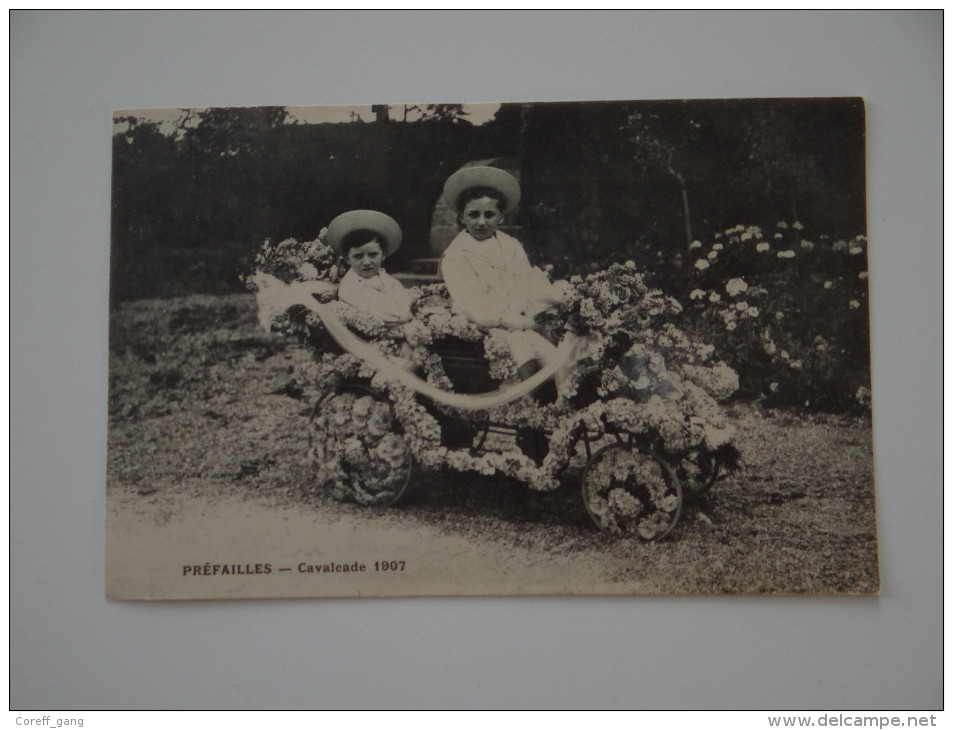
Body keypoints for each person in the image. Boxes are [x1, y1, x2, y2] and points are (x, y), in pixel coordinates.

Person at [439, 166, 571, 385]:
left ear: (501, 217)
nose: (481, 222)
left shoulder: (511, 246)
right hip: (483, 327)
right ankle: (523, 410)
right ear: (462, 217)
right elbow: (471, 302)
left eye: (489, 215)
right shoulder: (455, 254)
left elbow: (527, 283)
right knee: (524, 359)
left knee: (559, 362)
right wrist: (509, 320)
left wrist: (534, 312)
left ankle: (559, 408)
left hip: (519, 323)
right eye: (474, 215)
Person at [325, 210, 416, 368]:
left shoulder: (390, 281)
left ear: (383, 255)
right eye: (358, 256)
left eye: (373, 255)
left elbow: (406, 309)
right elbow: (381, 316)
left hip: (399, 340)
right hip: (368, 347)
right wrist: (400, 324)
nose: (366, 262)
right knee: (409, 367)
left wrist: (403, 324)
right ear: (348, 258)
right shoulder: (350, 286)